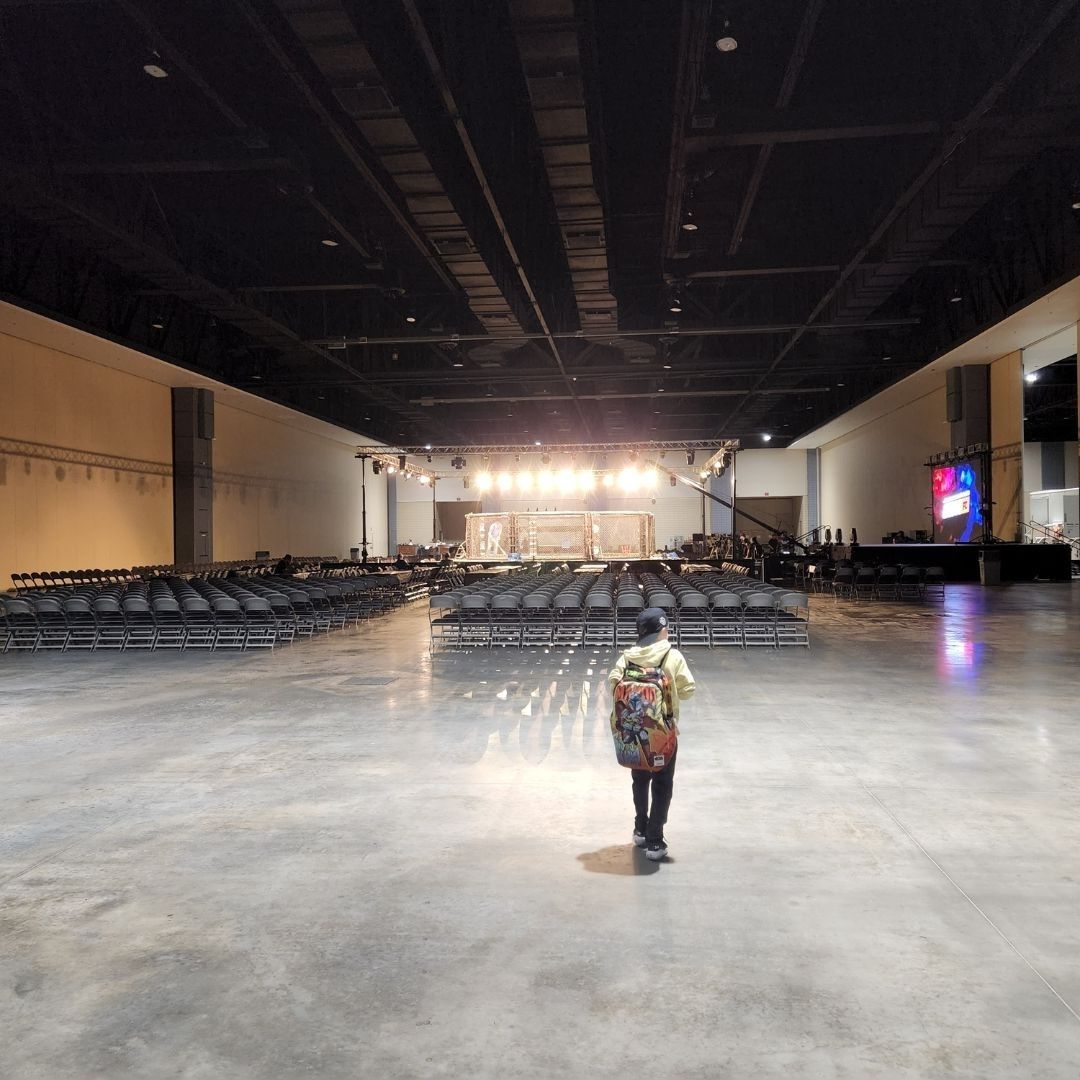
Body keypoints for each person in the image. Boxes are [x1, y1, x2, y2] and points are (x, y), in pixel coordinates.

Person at [607, 607, 696, 861]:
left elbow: (613, 682)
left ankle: (640, 828)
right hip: (662, 733)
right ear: (662, 630)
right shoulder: (672, 655)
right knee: (662, 783)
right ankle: (655, 840)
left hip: (633, 733)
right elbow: (688, 690)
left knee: (640, 779)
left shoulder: (628, 657)